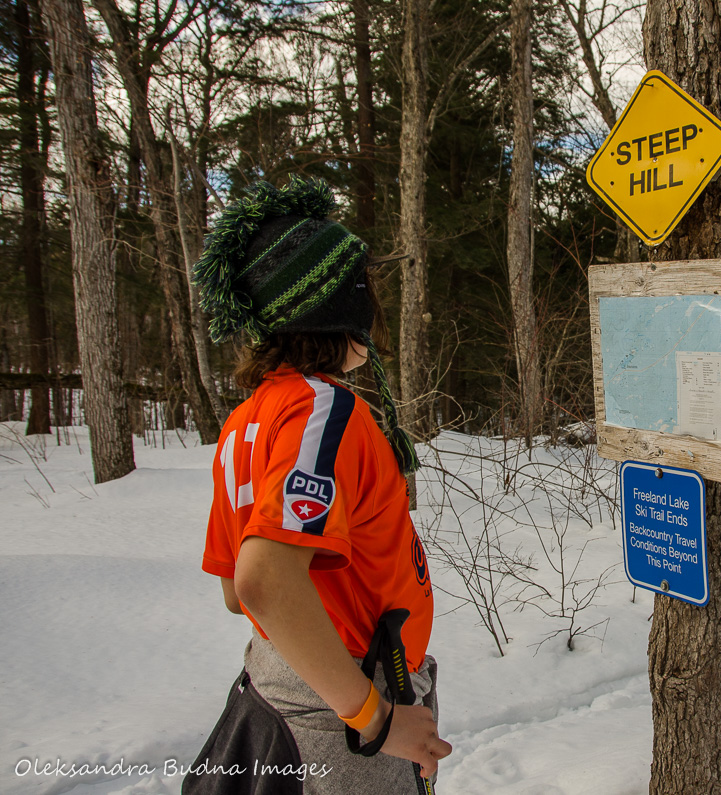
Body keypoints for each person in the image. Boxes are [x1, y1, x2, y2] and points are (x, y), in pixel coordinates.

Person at [189, 177, 451, 794]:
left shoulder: (247, 419)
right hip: (341, 711)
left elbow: (236, 592)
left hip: (279, 686)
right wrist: (376, 719)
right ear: (340, 307)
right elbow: (262, 582)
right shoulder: (319, 411)